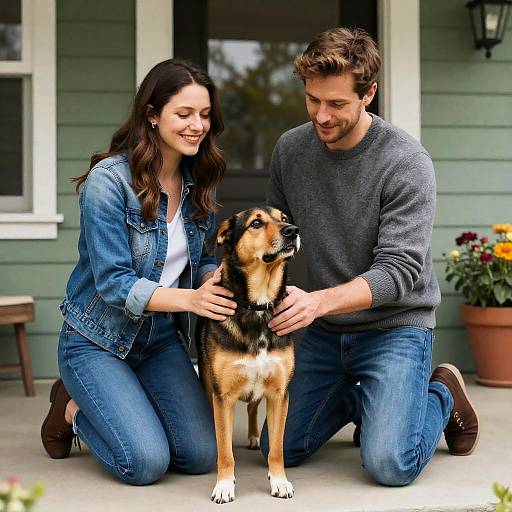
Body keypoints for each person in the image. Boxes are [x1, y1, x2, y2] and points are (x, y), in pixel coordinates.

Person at [261, 27, 479, 486]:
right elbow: (275, 238)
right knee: (277, 449)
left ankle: (440, 392)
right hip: (327, 331)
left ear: (369, 94)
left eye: (337, 104)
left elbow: (398, 272)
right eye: (312, 99)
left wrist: (317, 302)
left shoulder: (405, 161)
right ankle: (365, 398)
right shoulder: (290, 151)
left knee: (388, 464)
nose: (322, 115)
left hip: (394, 327)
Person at [41, 59, 237, 485]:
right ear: (152, 115)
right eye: (183, 114)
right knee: (144, 463)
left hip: (159, 339)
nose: (197, 126)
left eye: (204, 115)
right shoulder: (108, 183)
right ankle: (71, 407)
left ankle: (124, 405)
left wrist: (209, 278)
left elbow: (198, 259)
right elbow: (114, 284)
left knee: (201, 455)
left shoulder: (198, 179)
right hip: (97, 341)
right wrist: (191, 300)